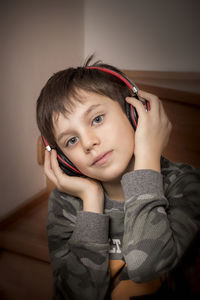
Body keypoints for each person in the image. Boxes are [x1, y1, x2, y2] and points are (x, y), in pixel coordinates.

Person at [36, 56, 200, 299]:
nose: (89, 143)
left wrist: (147, 155)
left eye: (97, 119)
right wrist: (91, 201)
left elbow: (147, 266)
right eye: (71, 141)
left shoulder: (183, 184)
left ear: (134, 113)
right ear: (64, 160)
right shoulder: (65, 204)